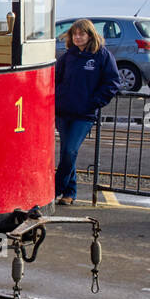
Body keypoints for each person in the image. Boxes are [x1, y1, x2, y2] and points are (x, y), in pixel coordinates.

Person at [55, 18, 120, 205]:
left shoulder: (102, 55)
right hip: (63, 111)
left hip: (84, 115)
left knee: (69, 150)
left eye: (81, 34)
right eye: (74, 34)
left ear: (90, 35)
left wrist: (94, 102)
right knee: (67, 153)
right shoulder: (68, 56)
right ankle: (70, 193)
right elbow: (56, 80)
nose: (77, 37)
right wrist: (58, 98)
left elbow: (112, 83)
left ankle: (56, 189)